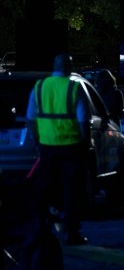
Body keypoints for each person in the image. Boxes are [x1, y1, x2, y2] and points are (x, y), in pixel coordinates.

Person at [26, 53, 91, 246]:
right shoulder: (74, 87)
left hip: (47, 148)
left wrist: (37, 141)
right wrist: (85, 146)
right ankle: (71, 233)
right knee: (71, 192)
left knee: (45, 190)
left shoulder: (39, 87)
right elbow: (83, 122)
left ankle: (42, 231)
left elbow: (30, 118)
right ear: (70, 67)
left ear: (53, 66)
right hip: (71, 148)